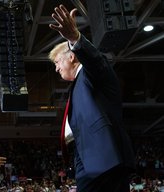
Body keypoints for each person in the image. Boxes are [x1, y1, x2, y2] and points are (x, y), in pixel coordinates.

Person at [48, 4, 135, 192]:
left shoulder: (90, 74)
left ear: (71, 57)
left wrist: (74, 38)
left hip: (105, 159)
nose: (56, 68)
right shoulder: (78, 84)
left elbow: (96, 61)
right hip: (90, 160)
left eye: (57, 62)